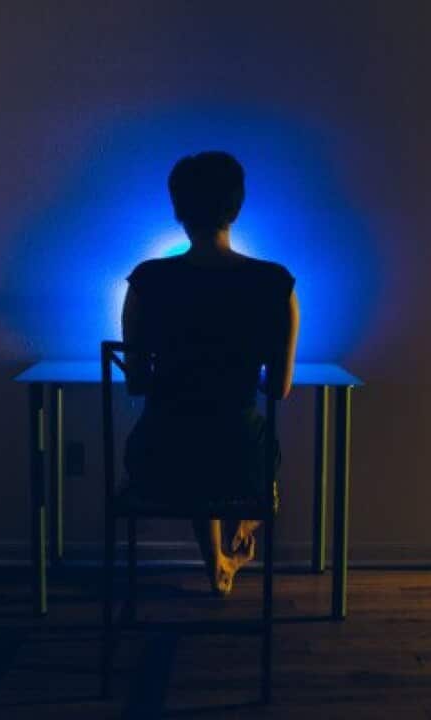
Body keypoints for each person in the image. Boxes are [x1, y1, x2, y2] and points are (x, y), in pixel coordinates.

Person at [121, 151, 299, 596]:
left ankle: (217, 563)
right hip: (239, 464)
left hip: (158, 463)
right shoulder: (275, 285)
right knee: (235, 441)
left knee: (192, 436)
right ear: (236, 208)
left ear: (178, 209)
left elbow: (138, 382)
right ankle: (239, 538)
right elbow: (278, 389)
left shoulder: (146, 281)